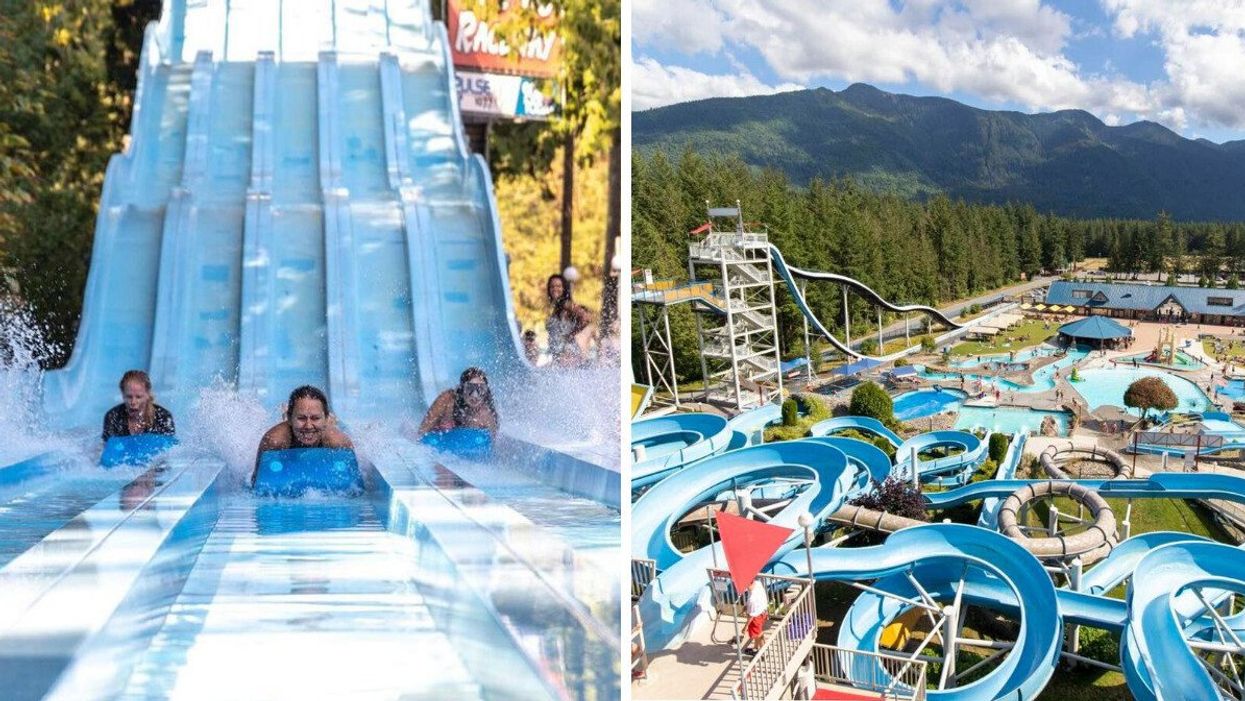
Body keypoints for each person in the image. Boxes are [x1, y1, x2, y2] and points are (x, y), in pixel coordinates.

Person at [253, 385, 352, 484]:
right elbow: (255, 481)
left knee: (328, 427)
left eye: (315, 418)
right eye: (301, 418)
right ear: (290, 419)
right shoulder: (274, 441)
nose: (308, 426)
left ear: (326, 419)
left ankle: (329, 420)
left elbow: (353, 483)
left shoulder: (338, 442)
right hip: (289, 430)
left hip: (326, 428)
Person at [416, 367, 499, 437]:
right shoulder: (447, 400)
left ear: (486, 392)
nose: (475, 395)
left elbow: (492, 446)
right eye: (470, 388)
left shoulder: (486, 414)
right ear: (462, 389)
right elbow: (422, 432)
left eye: (481, 389)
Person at [102, 370, 175, 441]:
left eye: (138, 397)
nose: (133, 402)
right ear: (123, 395)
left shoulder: (162, 417)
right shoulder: (113, 416)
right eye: (129, 397)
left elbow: (168, 450)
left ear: (147, 395)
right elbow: (107, 448)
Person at [545, 274, 595, 366]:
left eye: (558, 286)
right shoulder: (555, 306)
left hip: (568, 353)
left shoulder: (565, 303)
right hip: (558, 354)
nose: (555, 289)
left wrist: (573, 334)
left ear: (564, 288)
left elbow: (587, 318)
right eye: (552, 286)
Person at [744, 578, 769, 654]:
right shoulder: (758, 583)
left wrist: (745, 627)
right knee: (757, 634)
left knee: (759, 635)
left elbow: (751, 617)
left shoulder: (752, 600)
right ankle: (755, 648)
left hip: (756, 617)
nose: (745, 588)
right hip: (763, 612)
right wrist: (746, 606)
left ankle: (763, 654)